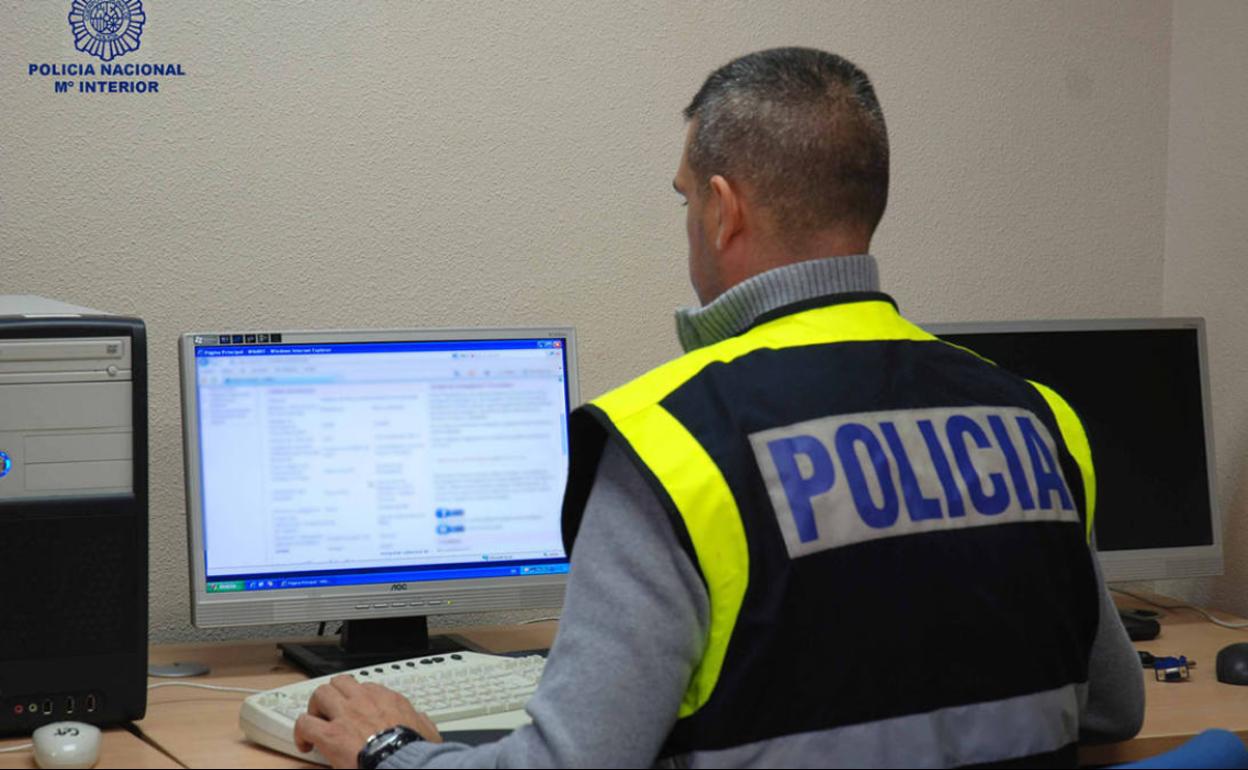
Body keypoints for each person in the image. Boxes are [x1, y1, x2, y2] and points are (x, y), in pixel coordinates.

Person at [293, 47, 1144, 769]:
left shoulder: (670, 446)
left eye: (685, 197)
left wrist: (390, 748)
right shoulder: (1036, 419)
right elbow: (1113, 707)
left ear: (725, 210)